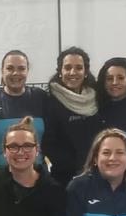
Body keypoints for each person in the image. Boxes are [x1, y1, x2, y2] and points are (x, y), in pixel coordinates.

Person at [42, 46, 100, 186]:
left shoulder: (97, 99)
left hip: (98, 173)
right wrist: (79, 169)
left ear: (85, 72)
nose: (73, 72)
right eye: (67, 67)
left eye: (79, 68)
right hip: (65, 178)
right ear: (60, 72)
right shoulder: (50, 102)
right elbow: (48, 143)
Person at [0, 50, 48, 168]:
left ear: (27, 71)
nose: (16, 73)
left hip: (37, 176)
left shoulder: (41, 98)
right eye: (10, 68)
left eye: (21, 68)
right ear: (2, 71)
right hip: (0, 178)